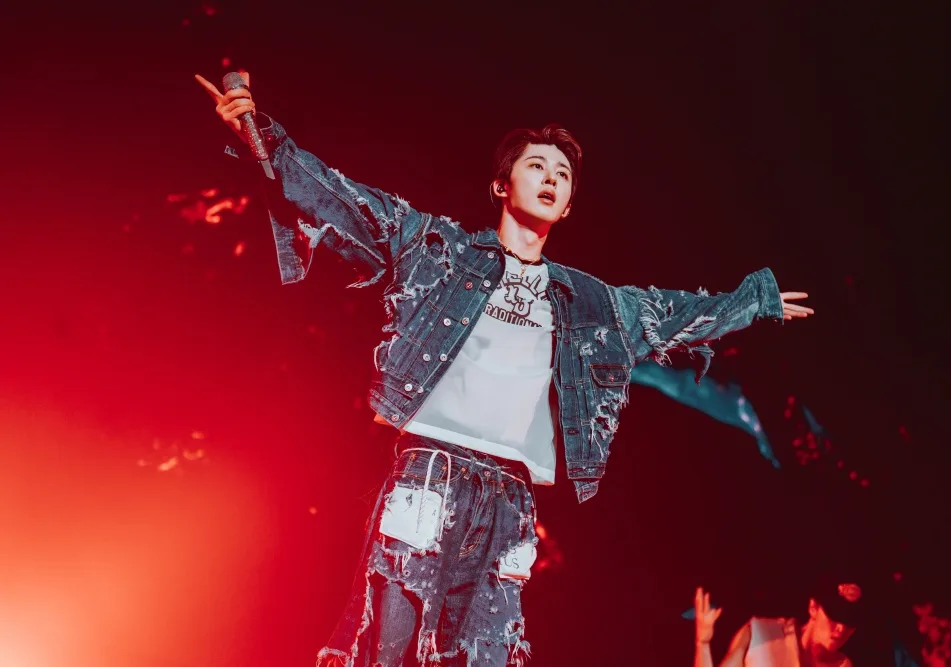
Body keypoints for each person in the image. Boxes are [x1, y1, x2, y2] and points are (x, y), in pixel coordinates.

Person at [196, 71, 815, 667]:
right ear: (501, 185)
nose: (551, 179)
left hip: (510, 497)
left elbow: (668, 313)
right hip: (430, 471)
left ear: (567, 207)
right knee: (387, 648)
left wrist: (753, 302)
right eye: (537, 166)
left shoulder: (589, 301)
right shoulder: (439, 250)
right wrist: (259, 135)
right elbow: (346, 201)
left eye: (563, 175)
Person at [693, 579, 862, 667]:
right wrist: (703, 643)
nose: (841, 629)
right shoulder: (760, 633)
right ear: (813, 607)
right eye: (834, 617)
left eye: (849, 623)